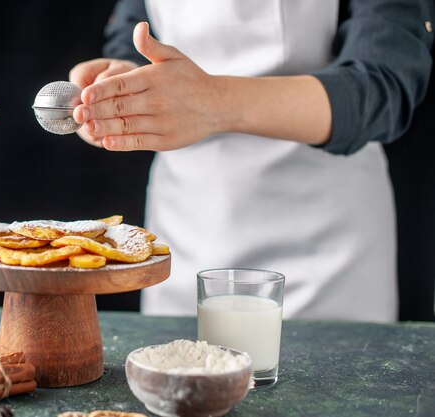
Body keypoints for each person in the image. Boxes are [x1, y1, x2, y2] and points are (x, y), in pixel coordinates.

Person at [69, 0, 434, 321]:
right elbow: (135, 31)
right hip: (187, 234)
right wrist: (123, 84)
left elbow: (382, 86)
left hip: (326, 247)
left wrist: (213, 102)